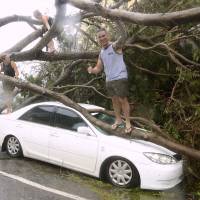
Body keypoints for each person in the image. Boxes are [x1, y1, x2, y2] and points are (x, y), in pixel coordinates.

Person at [87, 28, 132, 134]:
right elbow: (98, 68)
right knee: (114, 100)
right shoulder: (101, 53)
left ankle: (128, 122)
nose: (102, 38)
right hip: (109, 80)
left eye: (104, 35)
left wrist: (117, 18)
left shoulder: (115, 46)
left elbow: (124, 35)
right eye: (100, 37)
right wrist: (92, 70)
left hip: (120, 77)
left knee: (122, 99)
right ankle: (118, 120)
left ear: (108, 35)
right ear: (97, 39)